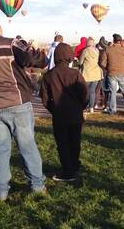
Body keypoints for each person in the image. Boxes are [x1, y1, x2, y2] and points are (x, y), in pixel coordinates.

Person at [0, 15, 48, 199]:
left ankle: (0, 191)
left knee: (1, 149)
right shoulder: (10, 44)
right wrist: (36, 51)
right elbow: (37, 61)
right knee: (27, 145)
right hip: (17, 102)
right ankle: (37, 186)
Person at [40, 43, 88, 182]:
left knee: (62, 142)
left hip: (59, 115)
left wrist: (53, 109)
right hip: (75, 114)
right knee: (75, 140)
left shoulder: (49, 75)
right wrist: (81, 106)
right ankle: (73, 165)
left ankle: (68, 170)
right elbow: (84, 94)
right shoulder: (75, 74)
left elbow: (44, 98)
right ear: (70, 57)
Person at [100, 34, 124, 115]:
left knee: (113, 92)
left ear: (113, 40)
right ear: (120, 41)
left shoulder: (107, 49)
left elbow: (102, 63)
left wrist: (107, 68)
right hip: (122, 72)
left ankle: (112, 110)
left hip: (112, 73)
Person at [79, 37, 103, 113]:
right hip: (96, 73)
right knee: (92, 91)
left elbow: (80, 62)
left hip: (87, 74)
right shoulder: (97, 51)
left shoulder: (85, 51)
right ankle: (91, 107)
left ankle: (84, 106)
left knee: (85, 91)